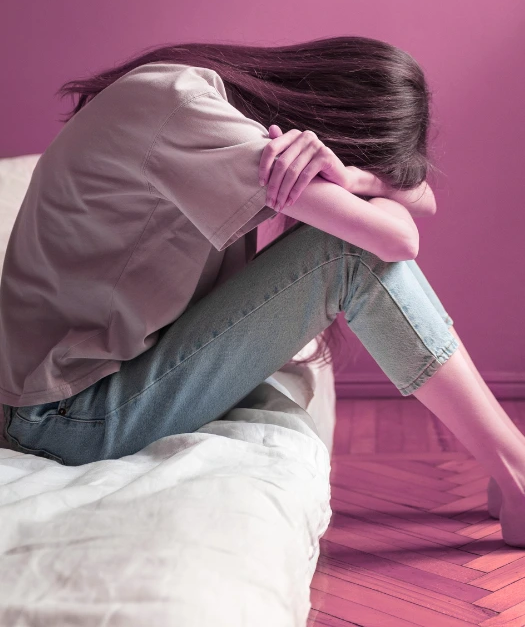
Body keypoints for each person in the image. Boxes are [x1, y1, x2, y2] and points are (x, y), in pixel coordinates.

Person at [1, 36, 524, 547]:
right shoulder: (184, 112)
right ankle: (516, 468)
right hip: (64, 418)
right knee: (347, 254)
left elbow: (421, 198)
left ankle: (514, 467)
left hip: (79, 396)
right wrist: (363, 182)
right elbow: (396, 239)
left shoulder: (188, 95)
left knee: (351, 247)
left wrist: (357, 177)